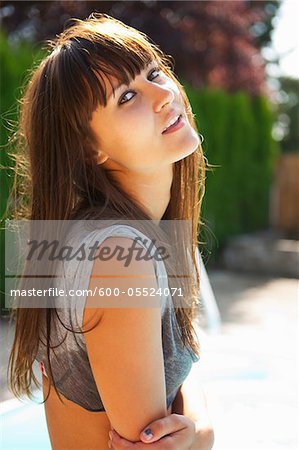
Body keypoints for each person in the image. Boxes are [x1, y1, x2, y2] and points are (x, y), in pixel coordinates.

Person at [8, 13, 214, 450]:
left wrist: (196, 426)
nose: (163, 95)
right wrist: (203, 434)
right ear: (90, 148)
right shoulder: (121, 255)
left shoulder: (110, 237)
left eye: (155, 73)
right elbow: (154, 442)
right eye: (126, 97)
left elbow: (180, 392)